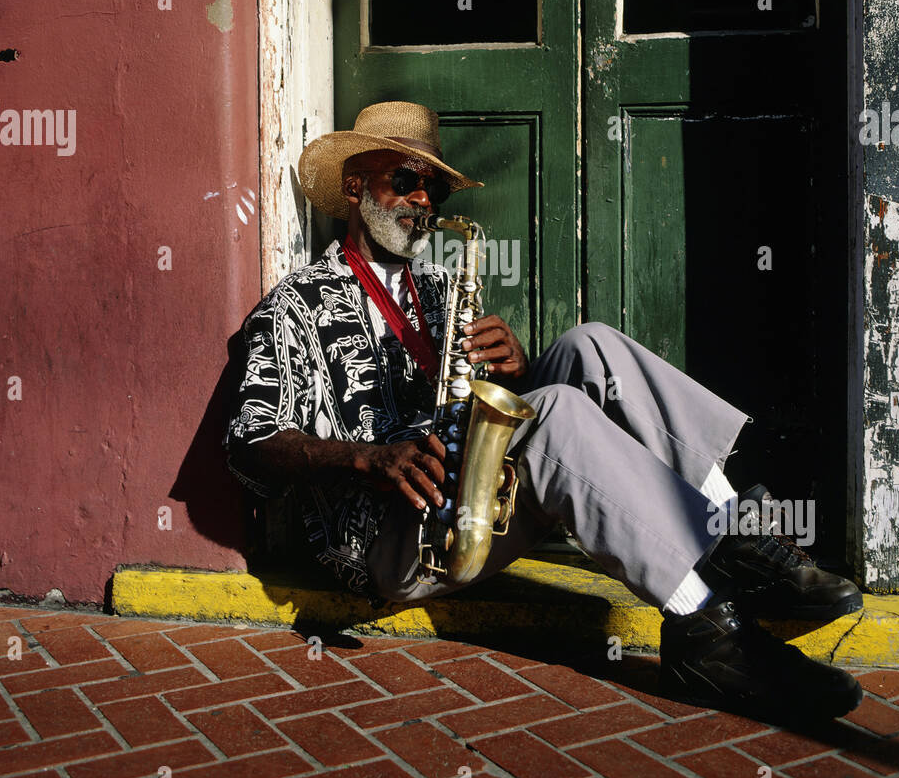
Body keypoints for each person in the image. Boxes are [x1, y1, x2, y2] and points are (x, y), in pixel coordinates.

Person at [226, 101, 864, 722]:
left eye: (433, 191)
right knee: (553, 413)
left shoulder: (442, 288)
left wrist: (519, 372)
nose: (423, 201)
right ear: (354, 185)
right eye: (406, 181)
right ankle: (706, 632)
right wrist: (368, 457)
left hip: (467, 496)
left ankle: (732, 538)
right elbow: (249, 443)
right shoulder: (296, 306)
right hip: (393, 540)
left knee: (591, 347)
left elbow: (489, 408)